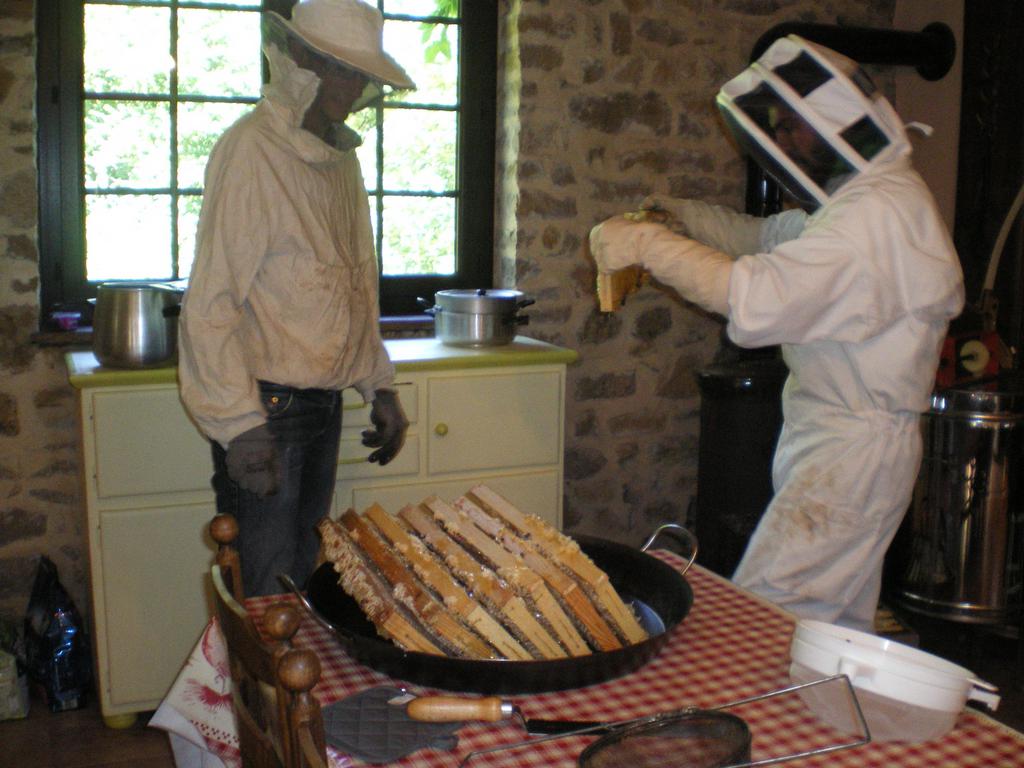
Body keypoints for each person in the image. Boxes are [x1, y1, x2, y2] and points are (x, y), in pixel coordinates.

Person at [589, 35, 964, 632]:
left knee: (767, 619)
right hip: (841, 440)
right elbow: (765, 240)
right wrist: (686, 219)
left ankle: (767, 698)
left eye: (793, 127)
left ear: (836, 120)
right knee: (827, 626)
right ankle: (829, 696)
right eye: (778, 129)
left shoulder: (877, 217)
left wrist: (647, 245)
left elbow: (752, 296)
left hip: (853, 451)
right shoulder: (861, 202)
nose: (784, 143)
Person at [178, 0, 414, 597]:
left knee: (304, 579)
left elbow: (352, 284)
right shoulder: (251, 150)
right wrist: (240, 426)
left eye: (360, 74)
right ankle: (255, 670)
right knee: (265, 591)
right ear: (300, 61)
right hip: (268, 409)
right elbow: (212, 300)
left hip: (322, 406)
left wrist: (378, 384)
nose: (352, 87)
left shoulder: (340, 160)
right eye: (340, 69)